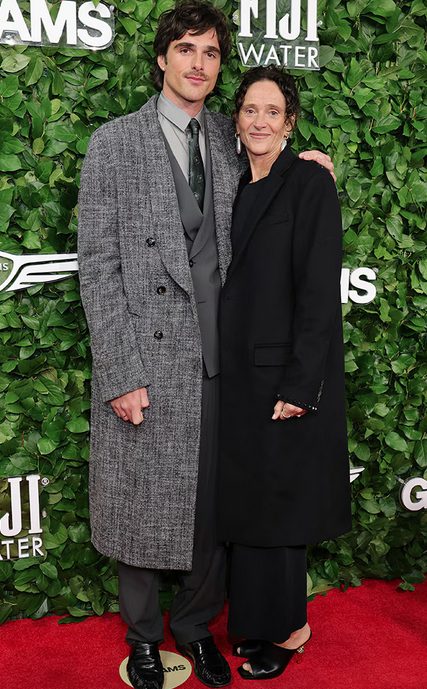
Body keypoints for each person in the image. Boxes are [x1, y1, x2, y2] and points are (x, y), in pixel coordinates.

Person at [77, 3, 335, 689]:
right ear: (162, 58)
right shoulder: (113, 143)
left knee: (212, 509)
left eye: (211, 52)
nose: (198, 63)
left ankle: (195, 628)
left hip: (224, 362)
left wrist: (311, 169)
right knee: (138, 501)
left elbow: (274, 169)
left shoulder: (228, 135)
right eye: (186, 49)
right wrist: (120, 371)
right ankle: (143, 637)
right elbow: (97, 267)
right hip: (146, 360)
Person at [218, 65, 352, 681]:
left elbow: (319, 291)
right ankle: (257, 623)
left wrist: (302, 383)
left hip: (282, 377)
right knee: (250, 504)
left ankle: (292, 629)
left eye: (273, 111)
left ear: (290, 122)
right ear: (236, 118)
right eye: (250, 109)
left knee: (279, 507)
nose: (260, 121)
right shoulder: (231, 184)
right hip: (236, 377)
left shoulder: (308, 182)